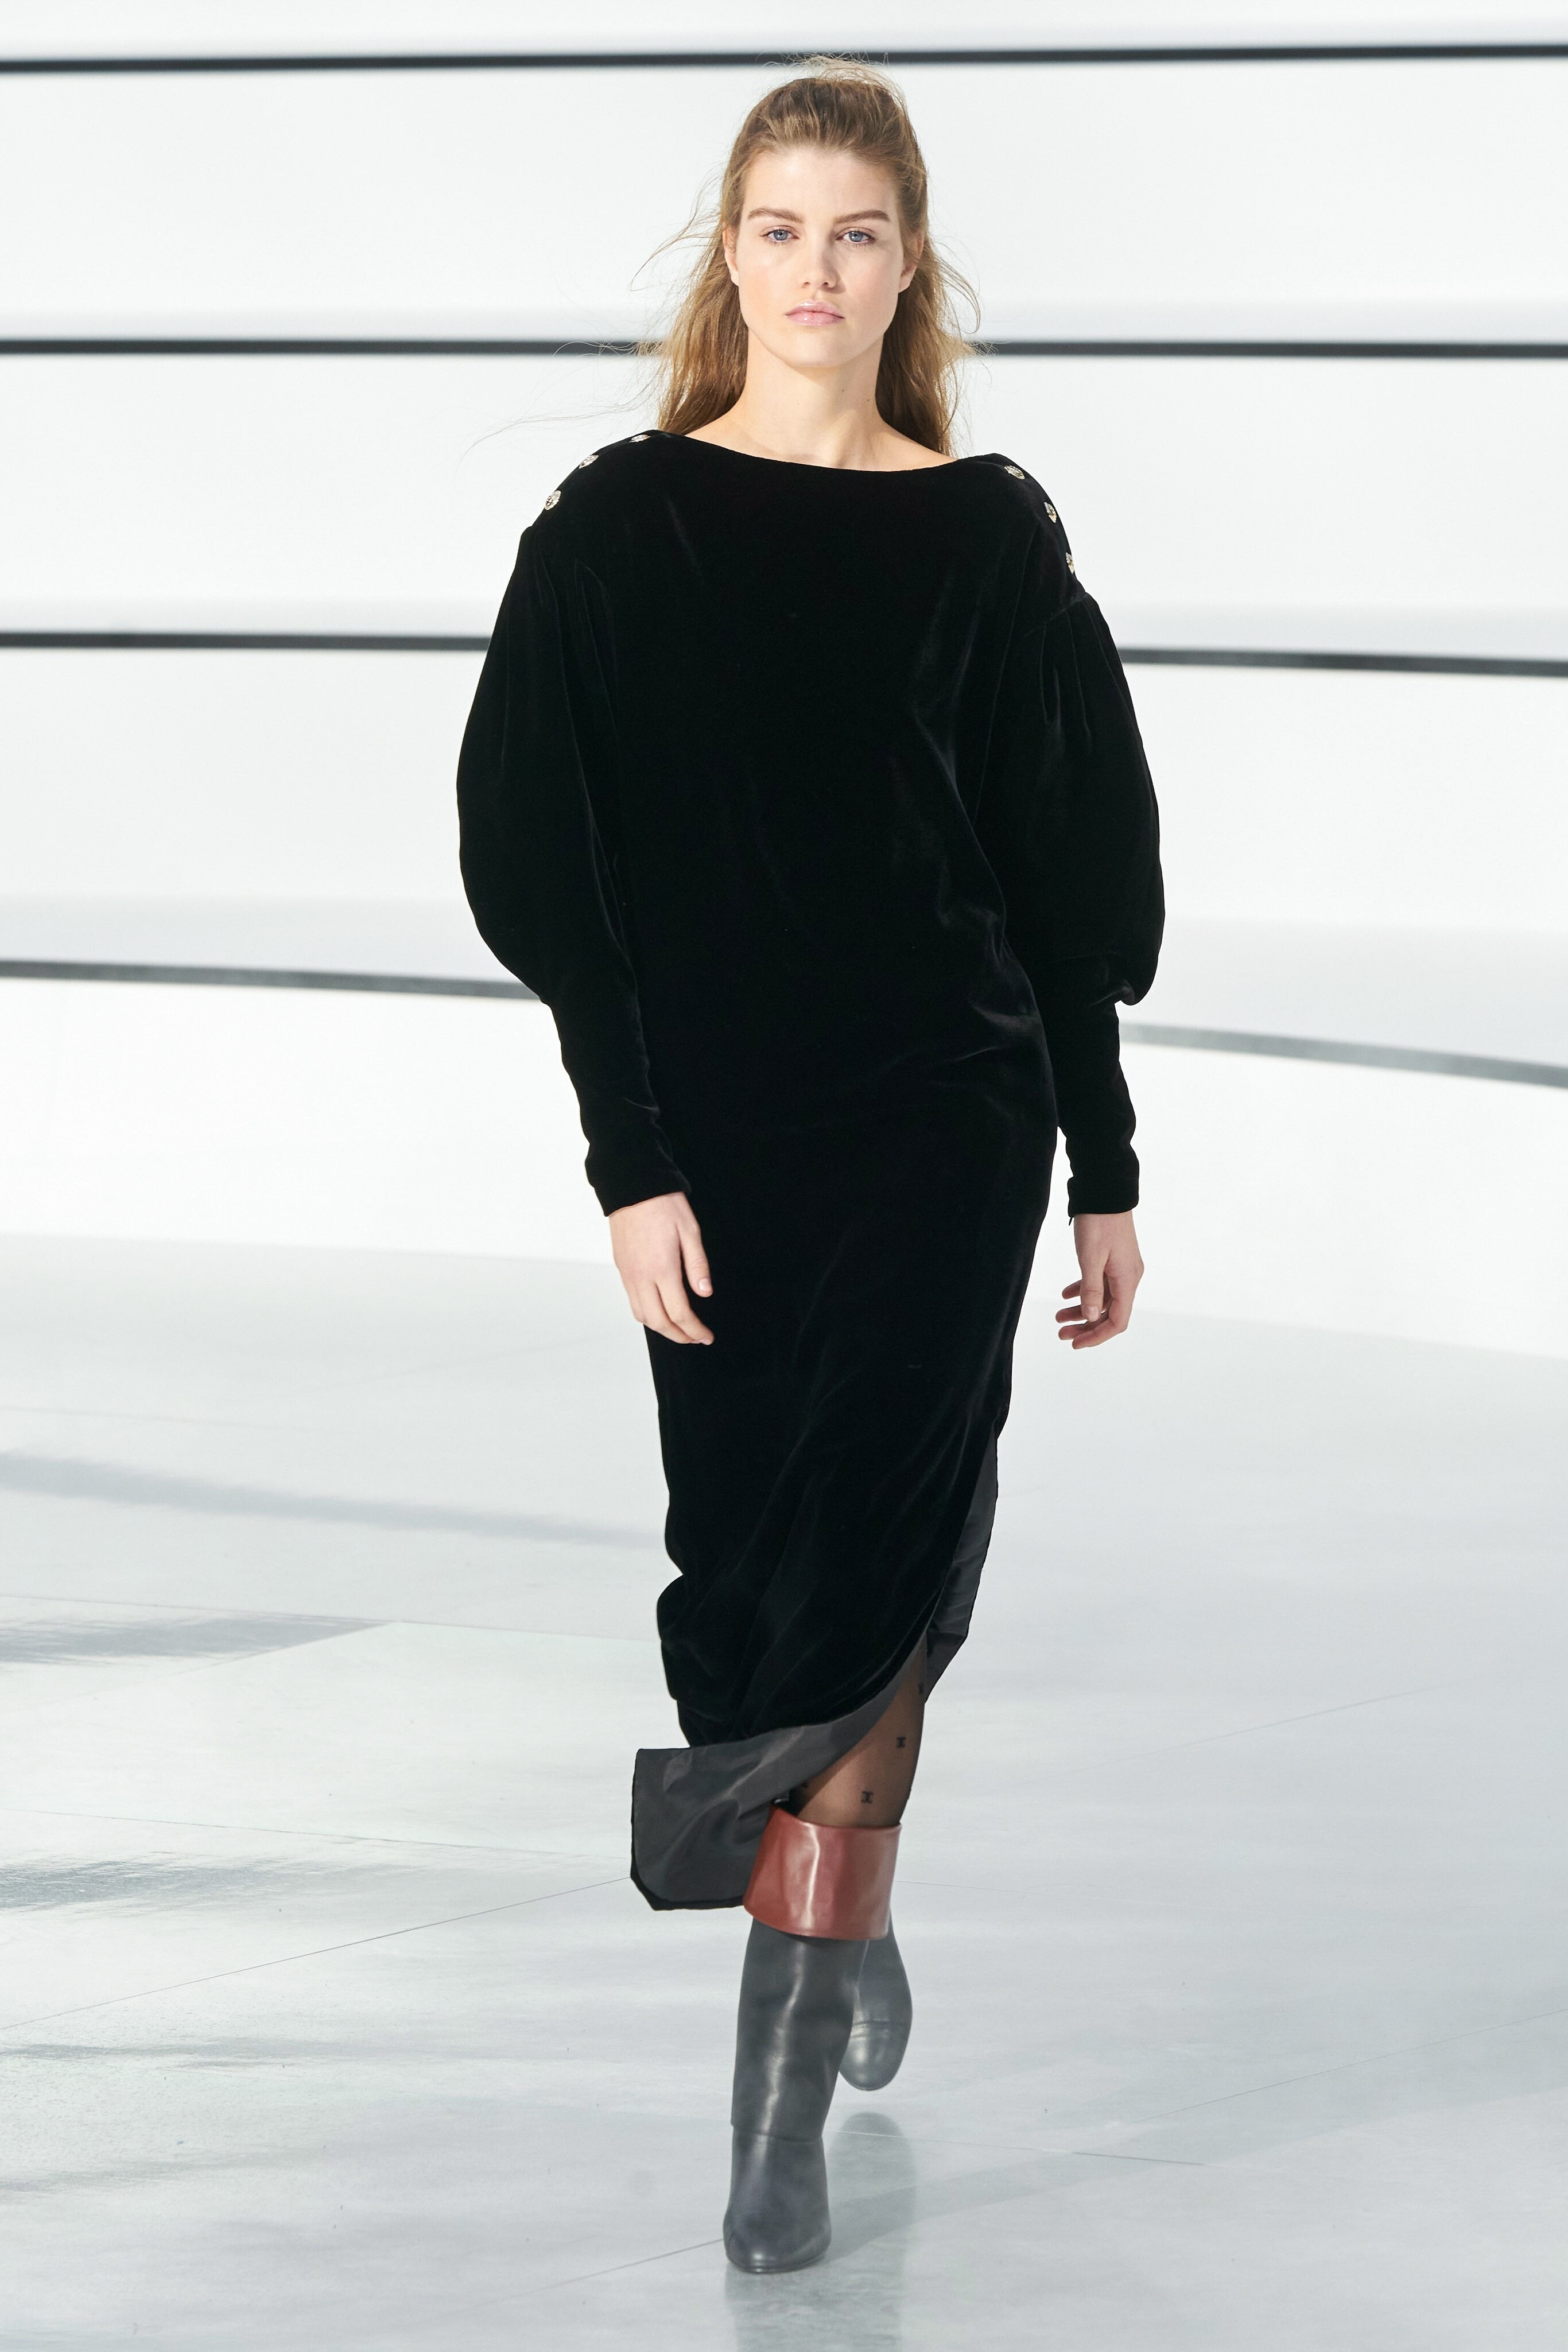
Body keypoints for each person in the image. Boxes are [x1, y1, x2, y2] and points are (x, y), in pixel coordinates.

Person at [457, 60, 1162, 2275]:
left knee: (874, 1575)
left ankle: (774, 2112)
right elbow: (545, 872)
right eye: (780, 229)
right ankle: (831, 1896)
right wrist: (628, 1162)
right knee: (769, 1594)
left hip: (945, 1131)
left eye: (857, 233)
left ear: (907, 264)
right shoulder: (615, 534)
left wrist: (1104, 1163)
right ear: (730, 255)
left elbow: (1067, 877)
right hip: (725, 1144)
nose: (816, 270)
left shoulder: (987, 539)